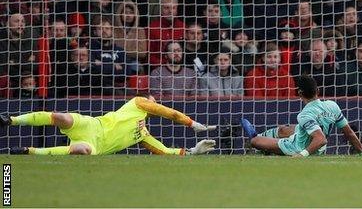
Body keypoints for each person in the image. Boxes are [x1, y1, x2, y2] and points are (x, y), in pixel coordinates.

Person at [1, 94, 216, 156]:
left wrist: (191, 152)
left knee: (81, 149)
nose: (153, 102)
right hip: (91, 126)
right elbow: (167, 112)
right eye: (152, 100)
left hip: (96, 146)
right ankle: (10, 120)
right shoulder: (137, 103)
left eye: (154, 100)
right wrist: (191, 123)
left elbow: (164, 150)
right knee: (62, 117)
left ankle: (28, 151)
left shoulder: (143, 136)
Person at [240, 75, 362, 157]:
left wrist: (302, 154)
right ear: (318, 91)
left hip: (296, 147)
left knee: (254, 142)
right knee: (284, 129)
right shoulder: (332, 106)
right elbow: (349, 133)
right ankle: (263, 139)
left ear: (299, 93)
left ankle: (259, 142)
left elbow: (321, 139)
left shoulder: (304, 115)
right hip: (318, 148)